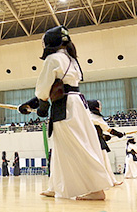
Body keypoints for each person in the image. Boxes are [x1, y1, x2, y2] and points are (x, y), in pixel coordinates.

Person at [19, 26, 112, 200]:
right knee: (62, 148)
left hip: (65, 106)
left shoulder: (53, 59)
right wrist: (33, 104)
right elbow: (56, 85)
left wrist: (38, 105)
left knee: (77, 147)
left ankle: (96, 189)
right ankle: (56, 186)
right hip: (76, 103)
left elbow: (43, 89)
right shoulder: (71, 59)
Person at [88, 100, 125, 186]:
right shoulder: (95, 116)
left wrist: (104, 136)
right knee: (105, 161)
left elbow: (95, 130)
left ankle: (104, 181)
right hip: (97, 143)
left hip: (90, 142)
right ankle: (111, 181)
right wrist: (118, 134)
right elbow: (107, 129)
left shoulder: (86, 116)